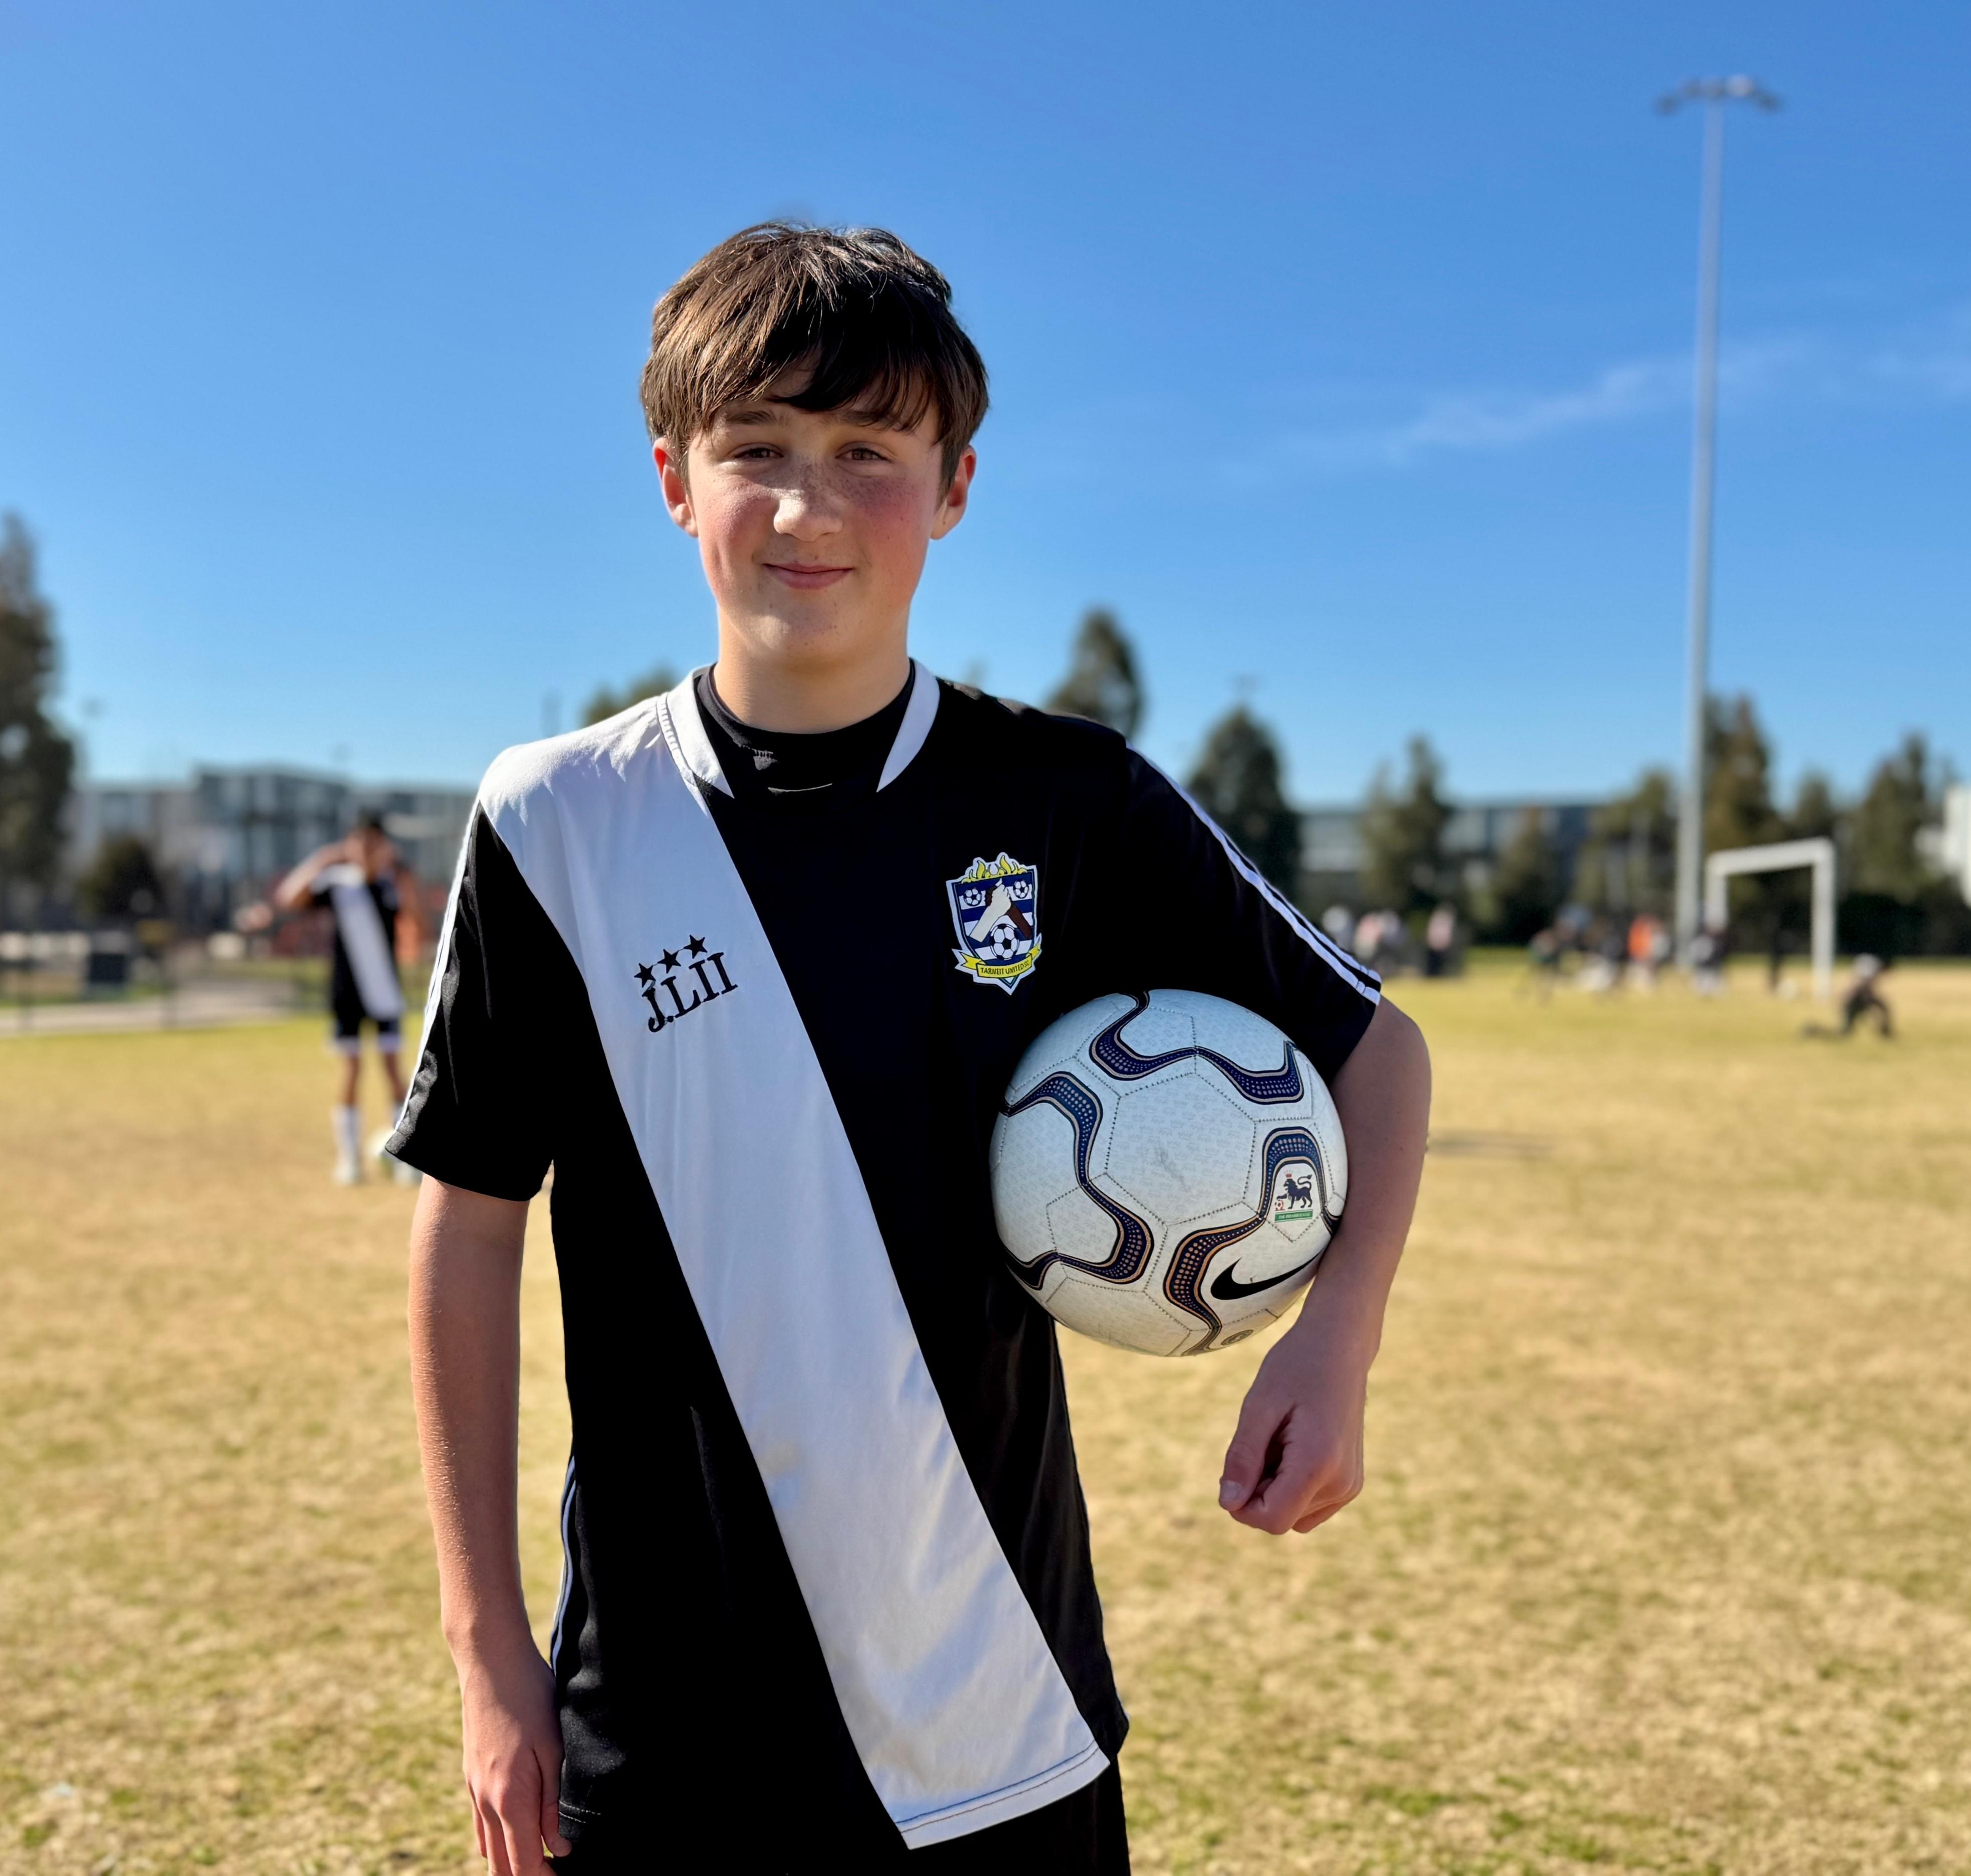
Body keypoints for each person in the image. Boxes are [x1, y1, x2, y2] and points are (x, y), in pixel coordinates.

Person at [388, 224, 1433, 1875]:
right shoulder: (562, 821)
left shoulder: (1065, 801)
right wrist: (484, 1656)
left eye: (868, 455)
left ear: (953, 489)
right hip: (659, 1734)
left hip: (997, 1718)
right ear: (673, 478)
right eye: (759, 453)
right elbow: (465, 1225)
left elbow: (1376, 1049)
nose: (808, 509)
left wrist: (1338, 1333)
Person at [242, 814, 421, 1184]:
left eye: (374, 844)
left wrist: (404, 876)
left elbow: (418, 923)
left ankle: (406, 1158)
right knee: (352, 1070)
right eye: (360, 843)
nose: (366, 852)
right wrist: (323, 859)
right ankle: (350, 1159)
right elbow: (288, 898)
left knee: (393, 1072)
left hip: (385, 993)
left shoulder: (392, 884)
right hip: (346, 996)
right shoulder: (337, 884)